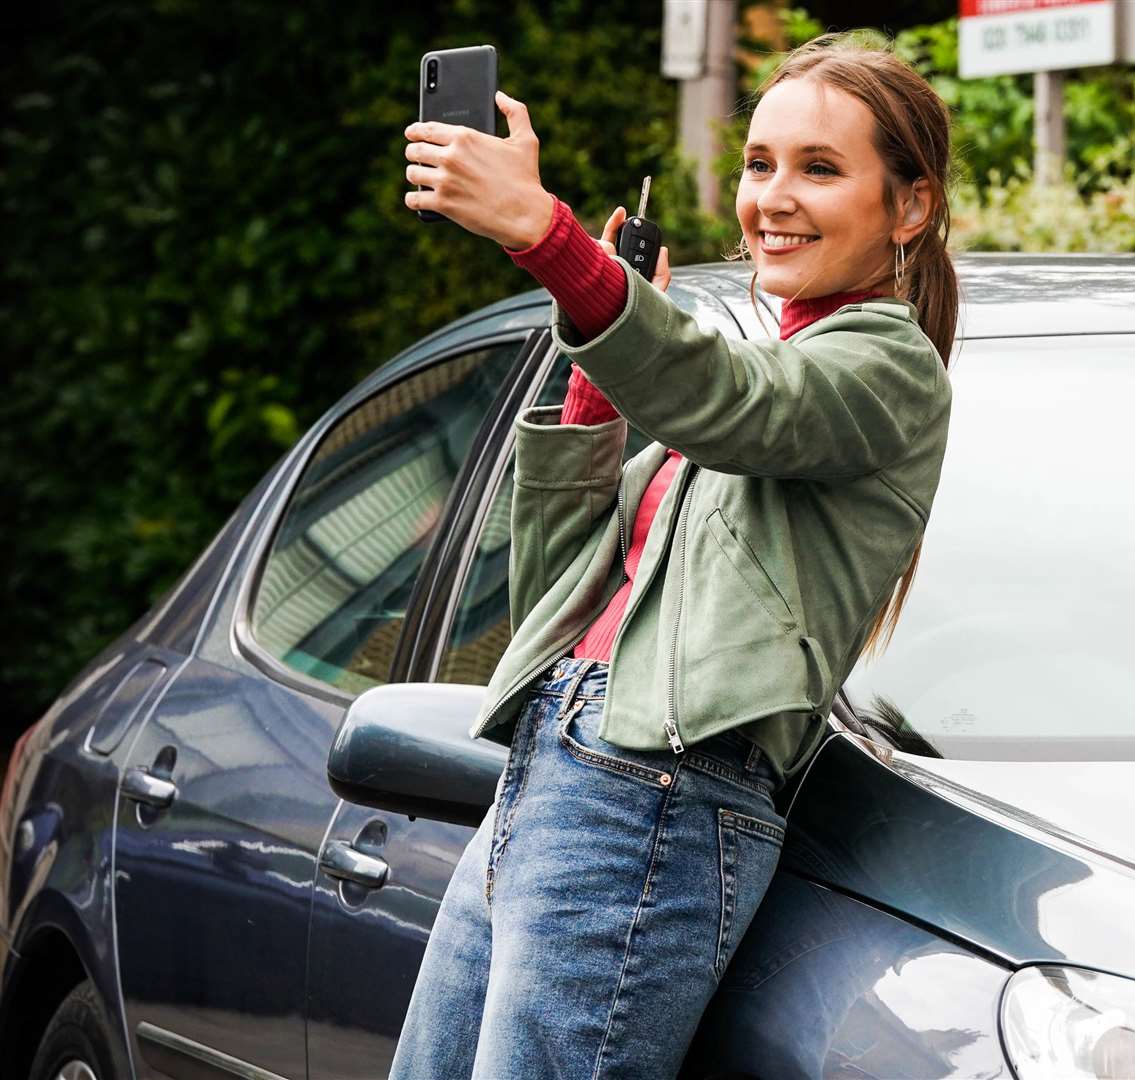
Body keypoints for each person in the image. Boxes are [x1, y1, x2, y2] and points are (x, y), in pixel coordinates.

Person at [389, 30, 957, 1080]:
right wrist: (595, 356)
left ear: (909, 207)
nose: (774, 198)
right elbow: (558, 583)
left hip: (654, 795)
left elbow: (735, 407)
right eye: (759, 164)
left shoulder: (888, 369)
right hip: (555, 771)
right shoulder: (753, 377)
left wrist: (545, 237)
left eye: (820, 169)